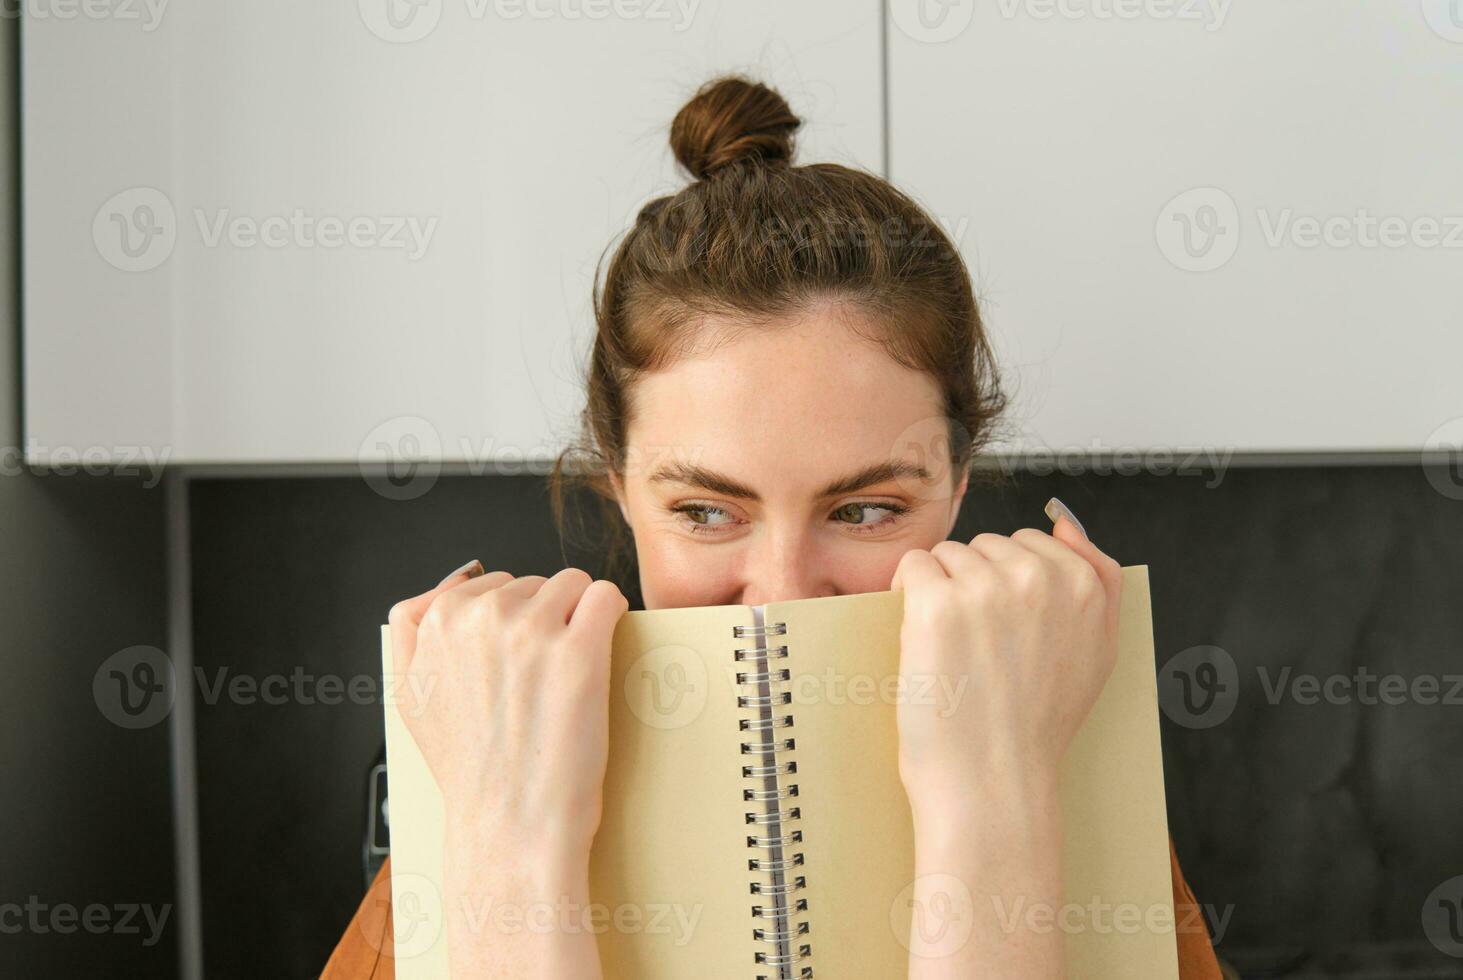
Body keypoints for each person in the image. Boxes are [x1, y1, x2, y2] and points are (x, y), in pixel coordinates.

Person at [324, 75, 1224, 978]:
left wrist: (995, 805)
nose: (784, 592)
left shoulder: (1082, 795)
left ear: (955, 489)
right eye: (707, 512)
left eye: (866, 509)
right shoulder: (463, 825)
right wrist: (507, 848)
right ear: (621, 489)